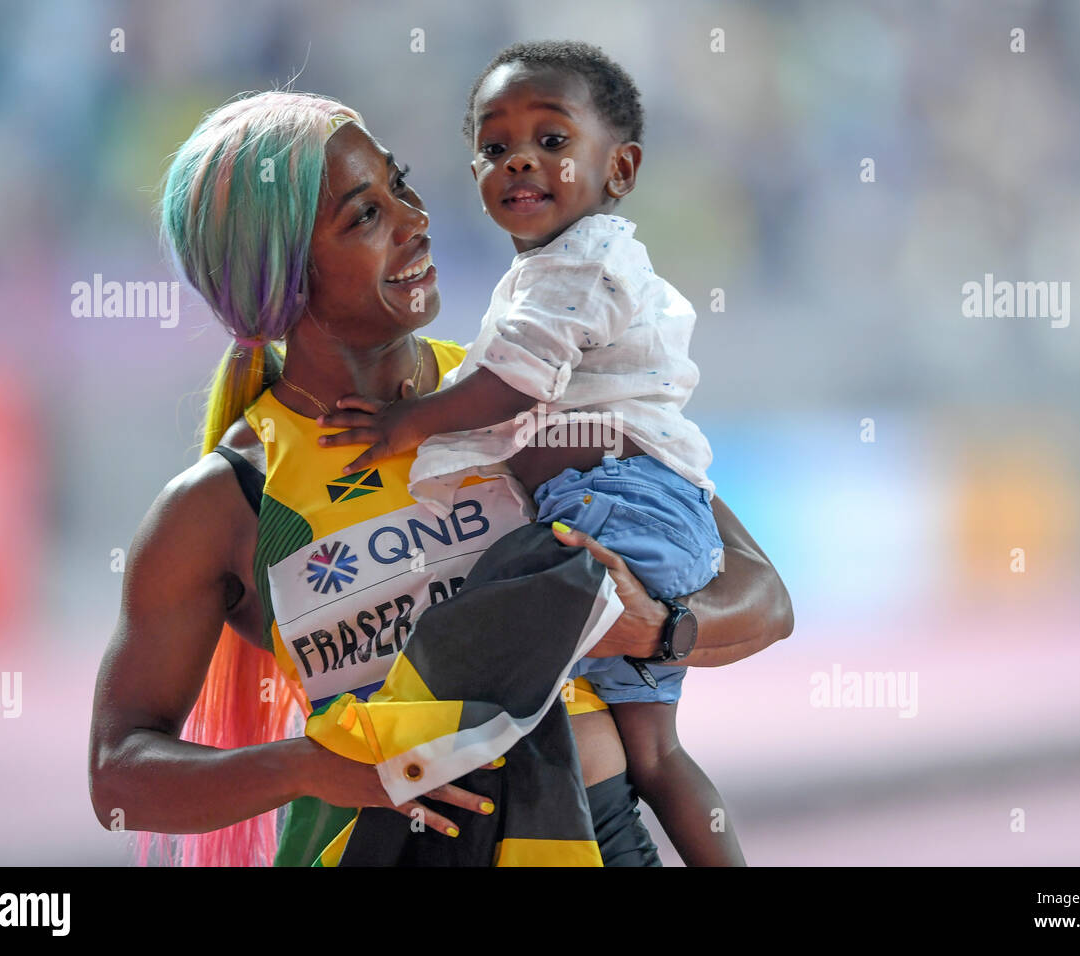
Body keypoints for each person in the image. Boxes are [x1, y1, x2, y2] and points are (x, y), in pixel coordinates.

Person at [87, 88, 793, 867]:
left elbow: (764, 599)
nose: (416, 220)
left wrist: (660, 628)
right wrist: (313, 766)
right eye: (365, 215)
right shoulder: (221, 504)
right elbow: (119, 780)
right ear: (280, 275)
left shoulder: (533, 385)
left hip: (594, 839)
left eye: (403, 184)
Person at [323, 41, 740, 866]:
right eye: (493, 145)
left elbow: (517, 379)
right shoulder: (547, 272)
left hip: (620, 504)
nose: (518, 159)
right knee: (655, 754)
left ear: (619, 168)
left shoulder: (579, 264)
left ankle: (409, 750)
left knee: (489, 618)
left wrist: (408, 426)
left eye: (552, 141)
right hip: (640, 505)